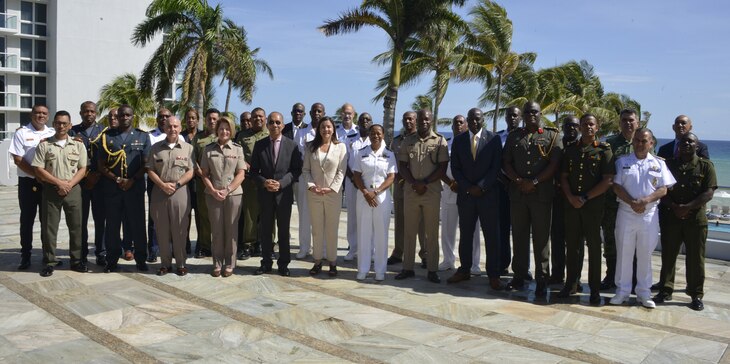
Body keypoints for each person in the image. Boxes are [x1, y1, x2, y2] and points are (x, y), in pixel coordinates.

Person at [610, 128, 675, 308]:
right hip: (626, 212)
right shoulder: (622, 162)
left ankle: (644, 293)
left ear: (651, 143)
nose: (640, 144)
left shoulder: (659, 164)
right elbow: (616, 186)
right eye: (637, 140)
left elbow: (664, 188)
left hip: (649, 214)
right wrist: (632, 202)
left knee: (645, 254)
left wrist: (645, 200)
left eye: (644, 141)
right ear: (633, 142)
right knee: (624, 253)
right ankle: (622, 292)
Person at [502, 101, 562, 296]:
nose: (531, 115)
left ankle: (542, 278)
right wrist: (518, 180)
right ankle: (519, 275)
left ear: (540, 113)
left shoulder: (552, 136)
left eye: (534, 112)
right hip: (518, 194)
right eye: (527, 112)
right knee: (519, 236)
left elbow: (554, 164)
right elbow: (506, 162)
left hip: (541, 195)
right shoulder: (514, 136)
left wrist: (534, 182)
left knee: (541, 238)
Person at [654, 132, 716, 311]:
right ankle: (665, 290)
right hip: (671, 217)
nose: (686, 144)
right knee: (668, 255)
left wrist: (687, 207)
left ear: (697, 146)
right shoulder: (669, 165)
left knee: (696, 258)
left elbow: (708, 193)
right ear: (678, 145)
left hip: (695, 220)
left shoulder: (706, 166)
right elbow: (661, 189)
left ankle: (696, 294)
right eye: (683, 141)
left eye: (690, 141)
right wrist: (675, 206)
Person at [557, 114, 614, 304]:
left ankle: (595, 289)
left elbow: (607, 180)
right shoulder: (571, 150)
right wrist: (571, 198)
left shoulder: (604, 150)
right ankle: (571, 284)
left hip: (593, 207)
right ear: (580, 127)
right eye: (585, 124)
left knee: (594, 248)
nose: (588, 127)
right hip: (572, 206)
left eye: (592, 124)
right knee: (572, 247)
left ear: (597, 128)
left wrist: (585, 197)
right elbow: (564, 177)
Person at [446, 108, 503, 290]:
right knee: (466, 235)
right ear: (467, 120)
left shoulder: (493, 139)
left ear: (483, 120)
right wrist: (468, 187)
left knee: (491, 236)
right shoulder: (459, 140)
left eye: (477, 119)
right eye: (471, 119)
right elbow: (455, 168)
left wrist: (481, 186)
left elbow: (496, 167)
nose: (474, 122)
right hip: (467, 196)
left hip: (488, 196)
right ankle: (464, 270)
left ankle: (493, 275)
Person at [32, 111, 88, 276]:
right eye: (58, 123)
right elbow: (38, 169)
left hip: (73, 189)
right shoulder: (45, 145)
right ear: (54, 124)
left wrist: (69, 184)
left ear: (70, 125)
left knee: (76, 226)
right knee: (49, 227)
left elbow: (83, 168)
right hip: (51, 189)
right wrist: (59, 183)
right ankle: (49, 261)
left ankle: (76, 260)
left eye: (65, 123)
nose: (61, 126)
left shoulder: (78, 145)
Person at [396, 109, 448, 283]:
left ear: (431, 120)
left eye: (427, 119)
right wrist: (413, 183)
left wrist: (424, 183)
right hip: (411, 192)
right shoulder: (407, 141)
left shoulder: (440, 141)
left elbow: (442, 168)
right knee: (409, 231)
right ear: (417, 121)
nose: (424, 122)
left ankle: (432, 269)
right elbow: (402, 165)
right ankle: (407, 267)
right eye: (421, 119)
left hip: (431, 192)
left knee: (431, 233)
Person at [97, 105, 151, 272]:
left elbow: (146, 163)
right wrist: (116, 179)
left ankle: (141, 259)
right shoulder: (106, 137)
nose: (124, 117)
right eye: (121, 115)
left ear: (132, 116)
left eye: (128, 114)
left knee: (138, 225)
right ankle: (112, 260)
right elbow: (101, 164)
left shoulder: (142, 136)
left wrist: (132, 180)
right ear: (117, 117)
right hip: (113, 188)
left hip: (134, 188)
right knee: (112, 226)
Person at [250, 112, 303, 276]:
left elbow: (296, 170)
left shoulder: (292, 145)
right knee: (265, 230)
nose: (274, 125)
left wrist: (281, 183)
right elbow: (253, 172)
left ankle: (283, 264)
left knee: (283, 231)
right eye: (271, 122)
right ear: (267, 125)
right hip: (265, 194)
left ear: (282, 124)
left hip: (284, 194)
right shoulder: (260, 145)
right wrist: (264, 182)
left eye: (278, 122)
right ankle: (266, 262)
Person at [600, 109, 646, 290]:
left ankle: (633, 277)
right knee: (611, 240)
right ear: (619, 123)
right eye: (624, 120)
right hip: (612, 203)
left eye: (631, 120)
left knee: (634, 241)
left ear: (638, 123)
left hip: (635, 204)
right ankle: (611, 275)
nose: (628, 123)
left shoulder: (645, 142)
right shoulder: (610, 144)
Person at [145, 116, 194, 276]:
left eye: (176, 126)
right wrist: (162, 185)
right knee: (162, 229)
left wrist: (178, 184)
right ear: (164, 128)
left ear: (180, 128)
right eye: (169, 126)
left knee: (179, 229)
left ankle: (181, 263)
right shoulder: (156, 148)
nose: (172, 129)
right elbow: (150, 169)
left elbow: (191, 170)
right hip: (160, 191)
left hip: (179, 191)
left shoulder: (188, 148)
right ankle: (165, 264)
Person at [9, 104, 55, 270]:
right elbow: (18, 160)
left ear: (48, 116)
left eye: (44, 113)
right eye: (37, 113)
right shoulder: (22, 132)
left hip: (47, 184)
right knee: (27, 221)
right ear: (31, 115)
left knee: (47, 221)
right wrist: (38, 175)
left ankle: (47, 255)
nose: (40, 115)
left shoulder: (52, 133)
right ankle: (25, 256)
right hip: (28, 183)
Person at [200, 117, 246, 277]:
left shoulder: (237, 149)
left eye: (227, 129)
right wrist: (213, 190)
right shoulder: (208, 149)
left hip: (233, 194)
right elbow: (204, 174)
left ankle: (229, 263)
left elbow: (241, 174)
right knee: (217, 230)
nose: (224, 131)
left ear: (231, 130)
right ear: (216, 130)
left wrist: (227, 190)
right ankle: (217, 263)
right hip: (213, 195)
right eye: (221, 128)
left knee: (231, 230)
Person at [303, 116, 348, 276]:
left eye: (329, 127)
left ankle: (332, 262)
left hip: (332, 195)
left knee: (331, 229)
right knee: (316, 229)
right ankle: (317, 261)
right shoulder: (310, 147)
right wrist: (312, 186)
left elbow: (341, 171)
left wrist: (332, 188)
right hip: (314, 193)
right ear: (318, 129)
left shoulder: (341, 147)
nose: (326, 130)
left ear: (333, 129)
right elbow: (306, 170)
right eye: (323, 127)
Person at [352, 124, 396, 281]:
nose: (375, 135)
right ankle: (363, 269)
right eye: (372, 133)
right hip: (363, 196)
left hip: (381, 197)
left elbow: (391, 177)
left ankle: (380, 270)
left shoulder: (389, 155)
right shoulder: (361, 153)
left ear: (383, 135)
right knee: (363, 233)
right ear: (369, 135)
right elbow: (356, 174)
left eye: (378, 133)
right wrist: (365, 192)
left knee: (381, 234)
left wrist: (376, 192)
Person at [439, 115, 480, 274]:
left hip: (468, 192)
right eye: (455, 123)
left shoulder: (472, 144)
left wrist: (465, 185)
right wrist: (450, 183)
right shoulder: (445, 146)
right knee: (448, 229)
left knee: (472, 230)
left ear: (466, 126)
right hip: (450, 191)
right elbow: (440, 169)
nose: (458, 125)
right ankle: (448, 260)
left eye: (461, 123)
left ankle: (474, 264)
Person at [388, 111, 427, 267]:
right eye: (405, 119)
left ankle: (425, 254)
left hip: (418, 186)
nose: (408, 121)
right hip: (400, 185)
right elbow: (392, 163)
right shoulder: (396, 142)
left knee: (421, 222)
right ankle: (398, 252)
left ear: (416, 121)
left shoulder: (421, 139)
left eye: (411, 119)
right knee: (400, 221)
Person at [71, 101, 108, 267]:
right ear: (80, 113)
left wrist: (97, 175)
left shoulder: (105, 132)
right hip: (81, 183)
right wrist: (86, 176)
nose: (89, 114)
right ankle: (82, 253)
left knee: (101, 220)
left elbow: (109, 158)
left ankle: (101, 253)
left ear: (96, 113)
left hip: (100, 183)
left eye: (92, 111)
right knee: (81, 221)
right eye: (85, 111)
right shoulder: (73, 132)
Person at [147, 108, 185, 263]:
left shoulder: (182, 140)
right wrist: (162, 184)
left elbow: (189, 167)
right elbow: (149, 166)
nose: (164, 119)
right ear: (158, 120)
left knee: (178, 222)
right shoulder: (150, 137)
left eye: (167, 117)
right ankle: (155, 250)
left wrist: (177, 184)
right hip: (157, 184)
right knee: (156, 220)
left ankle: (176, 253)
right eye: (161, 117)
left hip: (178, 187)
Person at [549, 115, 581, 285]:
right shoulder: (556, 147)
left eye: (575, 125)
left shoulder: (583, 147)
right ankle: (557, 273)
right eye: (568, 125)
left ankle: (574, 278)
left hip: (576, 200)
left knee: (576, 242)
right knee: (557, 238)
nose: (571, 128)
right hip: (558, 199)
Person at [234, 107, 269, 259]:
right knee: (249, 215)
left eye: (260, 116)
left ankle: (264, 244)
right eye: (254, 117)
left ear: (265, 118)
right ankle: (248, 245)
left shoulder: (270, 133)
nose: (257, 119)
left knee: (267, 214)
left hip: (267, 180)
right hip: (249, 181)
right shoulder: (242, 136)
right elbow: (237, 154)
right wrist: (244, 164)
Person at [294, 102, 326, 259]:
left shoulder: (327, 131)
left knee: (322, 215)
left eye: (319, 111)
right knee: (304, 214)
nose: (317, 113)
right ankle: (304, 247)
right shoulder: (301, 132)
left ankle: (322, 249)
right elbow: (297, 154)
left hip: (323, 179)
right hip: (304, 177)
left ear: (323, 112)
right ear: (310, 113)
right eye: (314, 111)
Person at [496, 106, 521, 275]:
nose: (512, 118)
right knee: (502, 228)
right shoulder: (497, 138)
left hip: (520, 188)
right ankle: (503, 263)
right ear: (505, 117)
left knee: (521, 230)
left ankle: (521, 267)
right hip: (501, 187)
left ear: (520, 118)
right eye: (509, 115)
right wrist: (503, 179)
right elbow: (493, 162)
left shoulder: (525, 136)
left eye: (515, 116)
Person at [192, 108, 220, 258]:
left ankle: (218, 244)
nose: (212, 121)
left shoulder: (223, 136)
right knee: (204, 215)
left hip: (219, 183)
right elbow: (192, 158)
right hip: (203, 182)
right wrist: (201, 174)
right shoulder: (198, 138)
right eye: (209, 118)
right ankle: (205, 246)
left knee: (219, 215)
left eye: (215, 119)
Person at [344, 112, 371, 261]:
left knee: (369, 217)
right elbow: (345, 161)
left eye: (367, 119)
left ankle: (369, 250)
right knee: (352, 217)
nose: (365, 122)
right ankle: (353, 249)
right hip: (352, 183)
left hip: (368, 184)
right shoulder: (350, 140)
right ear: (358, 123)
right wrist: (353, 179)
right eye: (362, 120)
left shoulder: (376, 139)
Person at [181, 108, 199, 253]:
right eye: (188, 118)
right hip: (184, 183)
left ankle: (201, 244)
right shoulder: (180, 136)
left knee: (200, 216)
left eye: (193, 118)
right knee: (184, 215)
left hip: (199, 182)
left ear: (198, 120)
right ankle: (184, 243)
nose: (190, 120)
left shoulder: (203, 136)